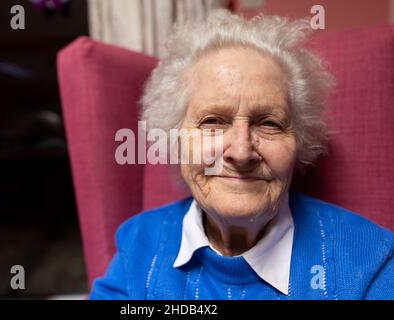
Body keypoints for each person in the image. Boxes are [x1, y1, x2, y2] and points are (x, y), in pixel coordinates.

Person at [90, 10, 393, 300]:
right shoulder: (138, 247)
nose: (241, 151)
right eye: (212, 121)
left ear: (299, 141)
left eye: (269, 123)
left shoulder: (368, 260)